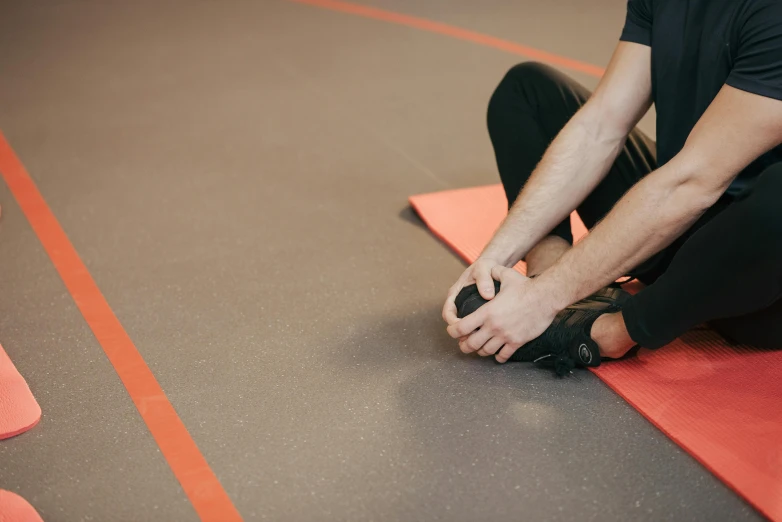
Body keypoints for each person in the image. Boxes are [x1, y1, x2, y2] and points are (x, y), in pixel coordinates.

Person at [442, 0, 782, 371]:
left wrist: (540, 301)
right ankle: (553, 278)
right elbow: (600, 126)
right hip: (678, 229)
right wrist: (493, 261)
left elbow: (694, 181)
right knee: (527, 91)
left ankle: (612, 332)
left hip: (760, 279)